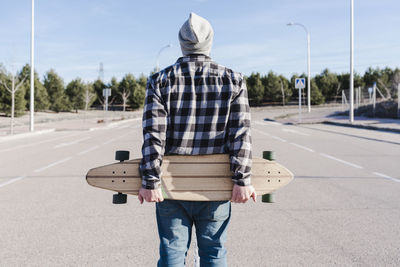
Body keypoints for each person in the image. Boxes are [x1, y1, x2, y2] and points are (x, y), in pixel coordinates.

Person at [139, 12, 255, 267]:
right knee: (214, 253)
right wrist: (242, 179)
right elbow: (240, 135)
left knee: (172, 254)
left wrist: (150, 181)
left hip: (171, 189)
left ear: (182, 43)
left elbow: (153, 136)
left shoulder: (159, 82)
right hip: (215, 187)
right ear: (210, 42)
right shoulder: (234, 81)